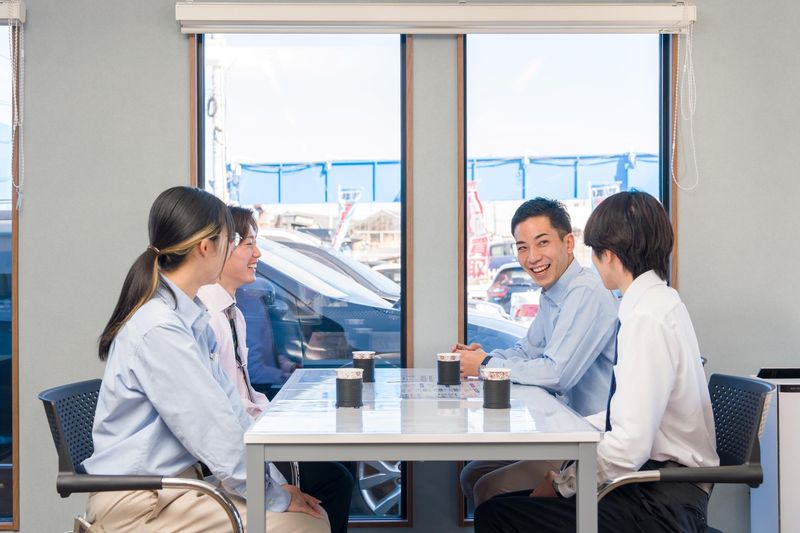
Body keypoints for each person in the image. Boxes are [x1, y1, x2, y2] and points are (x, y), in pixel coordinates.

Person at [83, 186, 329, 532]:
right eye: (231, 240)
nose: (234, 249)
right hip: (143, 503)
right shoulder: (161, 329)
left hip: (179, 488)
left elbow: (231, 414)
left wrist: (275, 487)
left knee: (306, 515)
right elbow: (214, 432)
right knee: (301, 525)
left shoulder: (189, 318)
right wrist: (274, 496)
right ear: (204, 247)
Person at [474, 191, 719, 533]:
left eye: (593, 252)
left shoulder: (645, 319)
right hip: (658, 484)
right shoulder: (660, 303)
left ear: (609, 254)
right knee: (501, 503)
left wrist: (562, 484)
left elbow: (628, 448)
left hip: (657, 498)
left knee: (497, 514)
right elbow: (628, 420)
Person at [198, 205, 354, 533]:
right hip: (239, 447)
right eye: (249, 244)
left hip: (252, 429)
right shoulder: (208, 318)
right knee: (335, 479)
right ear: (221, 248)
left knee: (341, 463)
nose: (257, 254)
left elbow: (245, 392)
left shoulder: (232, 312)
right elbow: (222, 409)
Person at [456, 198, 618, 506]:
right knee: (472, 475)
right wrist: (485, 357)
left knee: (488, 488)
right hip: (562, 428)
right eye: (522, 247)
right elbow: (527, 351)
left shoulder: (586, 291)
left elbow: (556, 374)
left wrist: (485, 365)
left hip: (589, 439)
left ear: (568, 243)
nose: (532, 257)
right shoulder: (553, 293)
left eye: (542, 243)